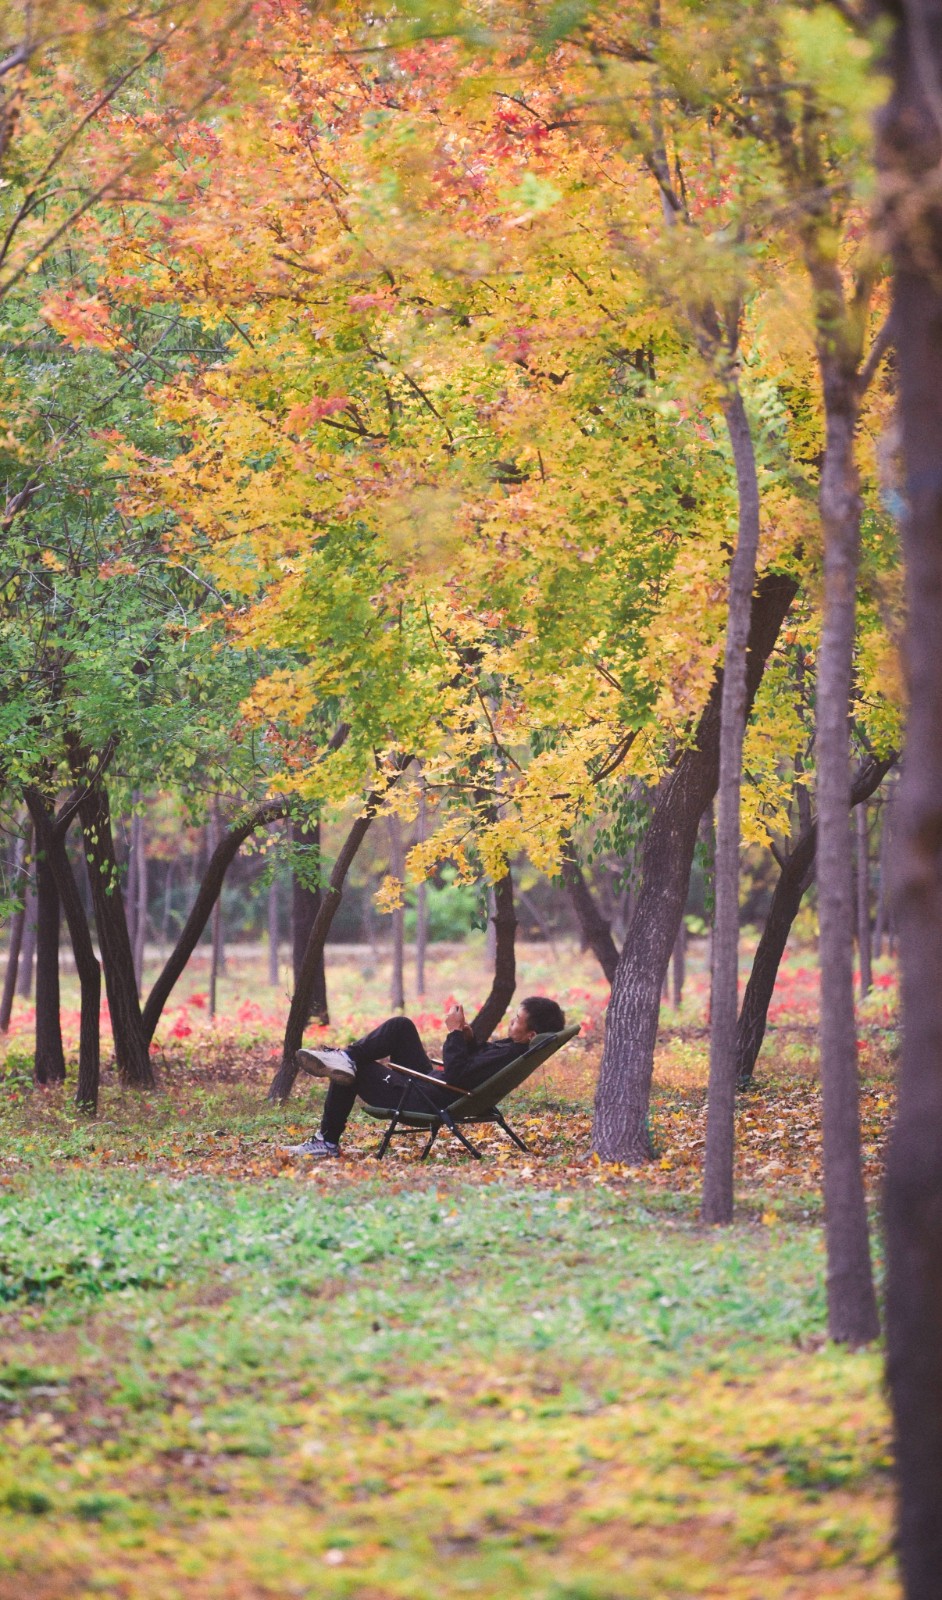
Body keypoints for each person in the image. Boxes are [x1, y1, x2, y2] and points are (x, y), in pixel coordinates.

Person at [280, 995, 566, 1158]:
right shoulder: (516, 1049)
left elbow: (457, 1073)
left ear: (531, 1034)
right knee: (401, 1026)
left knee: (353, 1070)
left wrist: (454, 1033)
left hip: (426, 1098)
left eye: (517, 1020)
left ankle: (327, 1140)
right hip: (436, 1088)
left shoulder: (510, 1053)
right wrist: (468, 1038)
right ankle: (347, 1057)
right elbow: (473, 1068)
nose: (511, 1022)